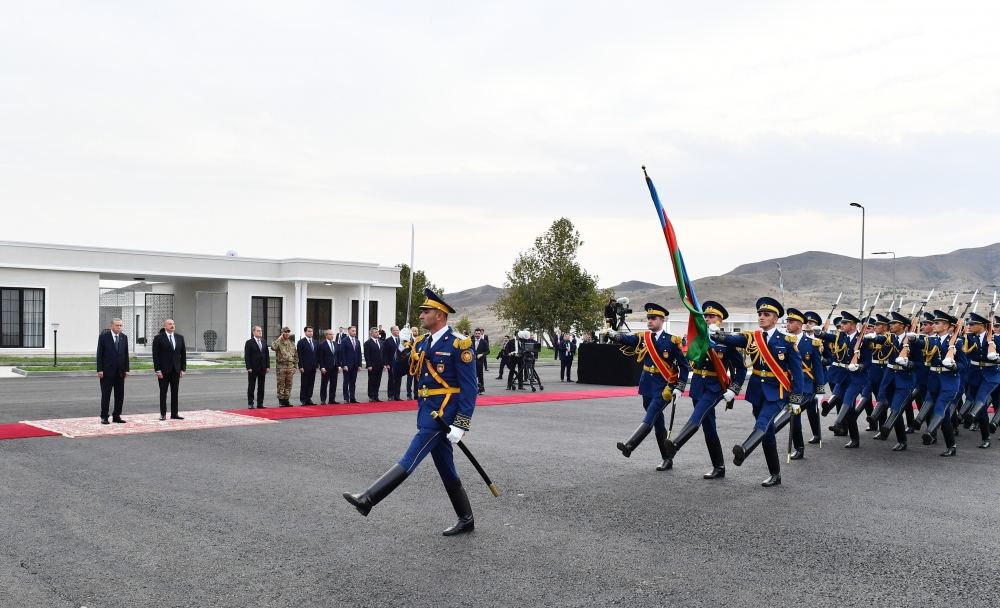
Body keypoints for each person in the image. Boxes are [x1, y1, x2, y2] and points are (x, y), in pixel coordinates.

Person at [343, 288, 479, 536]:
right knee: (446, 467)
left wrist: (461, 423)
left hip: (442, 416)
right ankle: (466, 518)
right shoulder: (423, 342)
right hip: (426, 411)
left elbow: (470, 389)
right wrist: (402, 347)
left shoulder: (460, 344)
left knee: (410, 458)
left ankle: (368, 499)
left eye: (425, 312)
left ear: (439, 314)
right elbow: (400, 371)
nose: (421, 316)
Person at [715, 297, 804, 487]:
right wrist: (716, 334)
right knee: (767, 432)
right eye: (760, 314)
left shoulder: (787, 341)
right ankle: (775, 474)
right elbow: (733, 339)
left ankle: (744, 450)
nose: (762, 317)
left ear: (775, 318)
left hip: (777, 392)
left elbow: (797, 371)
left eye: (766, 314)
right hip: (757, 390)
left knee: (763, 421)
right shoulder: (752, 337)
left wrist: (796, 398)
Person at [661, 301, 746, 478]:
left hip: (715, 387)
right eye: (705, 316)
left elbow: (742, 369)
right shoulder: (697, 339)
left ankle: (676, 444)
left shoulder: (727, 341)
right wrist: (680, 386)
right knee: (709, 427)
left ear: (720, 320)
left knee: (697, 416)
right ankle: (719, 467)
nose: (707, 319)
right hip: (698, 384)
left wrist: (734, 390)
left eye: (711, 316)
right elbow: (686, 361)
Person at [611, 303, 689, 471]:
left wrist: (680, 386)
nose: (650, 321)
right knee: (658, 424)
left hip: (664, 387)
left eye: (653, 318)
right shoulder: (644, 337)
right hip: (647, 384)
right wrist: (614, 335)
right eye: (648, 318)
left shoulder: (672, 341)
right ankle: (667, 459)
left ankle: (630, 445)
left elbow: (684, 366)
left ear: (662, 320)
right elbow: (629, 339)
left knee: (652, 413)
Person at [911, 310, 966, 456]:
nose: (933, 325)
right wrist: (913, 339)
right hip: (934, 380)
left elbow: (964, 364)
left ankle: (929, 432)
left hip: (949, 381)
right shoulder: (931, 340)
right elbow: (922, 344)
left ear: (947, 326)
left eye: (937, 323)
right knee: (945, 416)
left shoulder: (957, 342)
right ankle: (951, 446)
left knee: (940, 408)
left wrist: (954, 366)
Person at [958, 312, 1000, 448]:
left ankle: (971, 415)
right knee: (981, 407)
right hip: (974, 374)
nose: (969, 326)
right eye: (969, 323)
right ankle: (985, 437)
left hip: (991, 374)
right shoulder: (968, 338)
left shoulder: (996, 339)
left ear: (981, 325)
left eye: (972, 324)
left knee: (982, 397)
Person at [96, 318, 130, 424]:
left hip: (120, 372)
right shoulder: (103, 337)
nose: (119, 327)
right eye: (117, 325)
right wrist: (100, 369)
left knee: (120, 395)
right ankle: (104, 416)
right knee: (106, 395)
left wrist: (126, 369)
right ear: (112, 325)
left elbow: (126, 354)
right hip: (107, 372)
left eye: (120, 325)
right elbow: (99, 354)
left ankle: (117, 416)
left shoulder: (124, 337)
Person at [151, 319, 186, 420]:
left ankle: (174, 414)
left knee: (175, 393)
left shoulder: (180, 338)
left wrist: (183, 369)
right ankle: (163, 414)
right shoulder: (158, 338)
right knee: (163, 393)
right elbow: (155, 355)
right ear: (165, 326)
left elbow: (183, 354)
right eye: (170, 324)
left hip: (176, 370)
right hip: (163, 371)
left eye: (173, 324)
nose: (172, 325)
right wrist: (157, 370)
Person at [244, 325, 270, 409]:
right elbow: (247, 356)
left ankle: (260, 403)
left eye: (261, 331)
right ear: (254, 332)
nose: (260, 332)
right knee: (251, 386)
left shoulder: (264, 341)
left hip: (262, 368)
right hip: (253, 368)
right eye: (258, 331)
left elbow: (267, 355)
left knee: (261, 386)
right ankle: (250, 403)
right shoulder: (249, 342)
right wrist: (248, 367)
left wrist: (268, 366)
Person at [271, 327, 298, 406]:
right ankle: (281, 401)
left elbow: (296, 356)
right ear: (282, 333)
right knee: (281, 384)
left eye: (288, 332)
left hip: (290, 366)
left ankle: (287, 400)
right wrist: (279, 338)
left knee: (289, 384)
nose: (287, 333)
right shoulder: (278, 342)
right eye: (285, 332)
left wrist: (295, 367)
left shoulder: (292, 343)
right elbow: (273, 347)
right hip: (281, 366)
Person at [340, 326, 362, 403]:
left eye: (355, 331)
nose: (354, 332)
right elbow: (342, 353)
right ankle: (346, 398)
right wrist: (344, 365)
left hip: (355, 365)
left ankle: (352, 398)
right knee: (346, 382)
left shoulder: (357, 341)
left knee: (353, 382)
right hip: (347, 365)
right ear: (349, 331)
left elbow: (359, 353)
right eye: (353, 331)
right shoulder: (344, 341)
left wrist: (359, 365)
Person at [297, 326, 318, 405]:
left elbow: (317, 354)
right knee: (304, 383)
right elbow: (300, 355)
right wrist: (300, 366)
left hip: (313, 366)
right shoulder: (301, 342)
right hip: (305, 366)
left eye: (312, 331)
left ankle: (309, 398)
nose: (311, 333)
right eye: (309, 331)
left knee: (311, 383)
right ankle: (303, 399)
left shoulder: (315, 342)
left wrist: (317, 364)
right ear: (305, 332)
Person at [319, 329, 340, 404]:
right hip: (326, 368)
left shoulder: (336, 344)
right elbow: (320, 357)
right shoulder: (322, 345)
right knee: (324, 384)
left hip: (335, 367)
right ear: (326, 335)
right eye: (330, 334)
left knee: (333, 384)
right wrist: (322, 367)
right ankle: (323, 399)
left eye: (332, 334)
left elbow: (337, 355)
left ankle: (332, 399)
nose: (332, 336)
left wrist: (339, 366)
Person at [364, 327, 385, 402]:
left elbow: (383, 354)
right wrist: (369, 365)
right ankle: (371, 396)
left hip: (380, 365)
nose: (377, 333)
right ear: (371, 333)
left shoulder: (381, 342)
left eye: (378, 332)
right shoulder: (368, 343)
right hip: (372, 365)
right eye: (375, 332)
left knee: (378, 381)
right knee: (372, 381)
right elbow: (367, 355)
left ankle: (376, 395)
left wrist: (384, 364)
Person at [383, 326, 403, 401]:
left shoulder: (401, 340)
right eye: (395, 330)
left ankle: (397, 395)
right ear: (392, 331)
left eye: (398, 330)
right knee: (391, 379)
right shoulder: (388, 341)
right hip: (391, 364)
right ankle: (390, 395)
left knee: (399, 380)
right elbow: (385, 353)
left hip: (400, 364)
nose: (397, 332)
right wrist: (386, 364)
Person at [403, 327, 422, 399]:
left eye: (417, 331)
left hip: (417, 363)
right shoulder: (407, 340)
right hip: (410, 363)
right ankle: (409, 395)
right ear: (411, 332)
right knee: (409, 380)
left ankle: (416, 395)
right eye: (414, 331)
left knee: (417, 380)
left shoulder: (420, 340)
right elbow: (405, 351)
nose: (416, 332)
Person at [473, 328, 489, 393]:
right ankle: (473, 388)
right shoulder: (471, 341)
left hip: (480, 361)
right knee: (472, 375)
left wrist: (482, 354)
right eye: (476, 333)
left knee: (480, 375)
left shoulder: (484, 341)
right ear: (474, 334)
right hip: (471, 361)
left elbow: (488, 351)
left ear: (480, 334)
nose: (477, 335)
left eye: (478, 333)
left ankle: (481, 388)